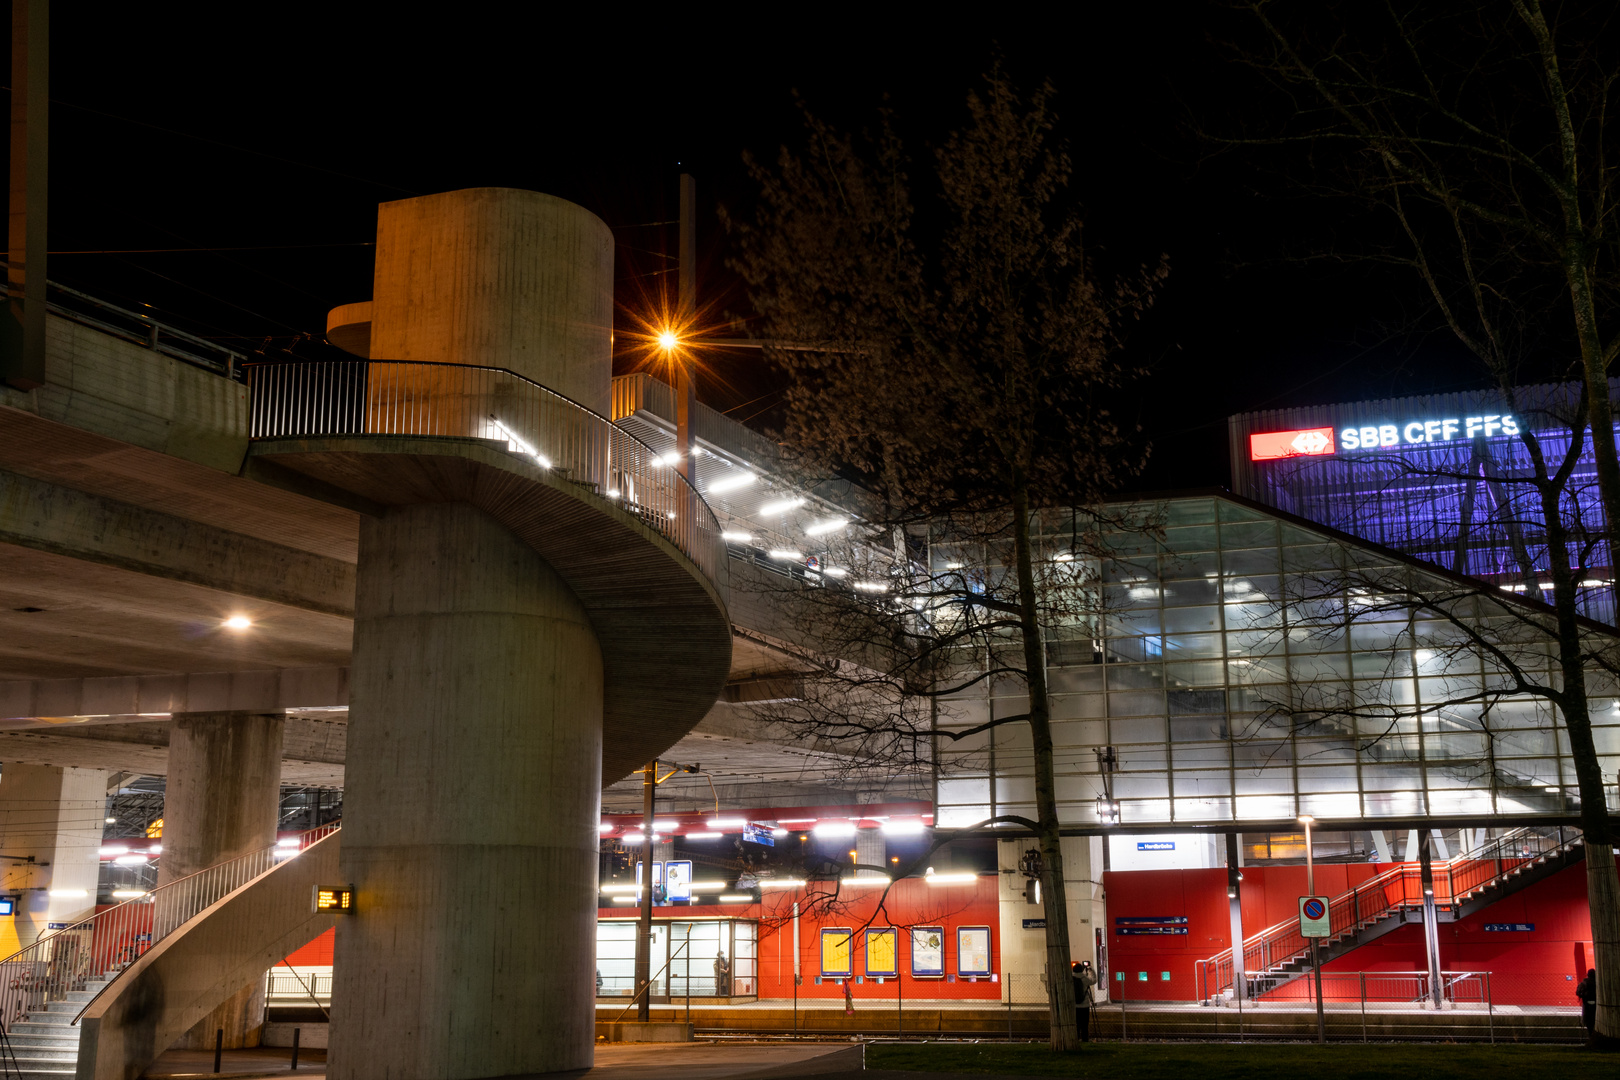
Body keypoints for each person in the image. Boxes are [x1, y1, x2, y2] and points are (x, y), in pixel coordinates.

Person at [1072, 959, 1097, 1042]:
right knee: (1084, 1025)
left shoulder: (1070, 979)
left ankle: (1075, 1039)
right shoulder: (1084, 979)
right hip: (1084, 1005)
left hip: (1074, 1006)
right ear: (1082, 970)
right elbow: (1094, 980)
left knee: (1076, 1024)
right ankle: (1085, 1039)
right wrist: (1090, 970)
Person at [1575, 968, 1597, 1042]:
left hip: (1586, 1003)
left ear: (1587, 975)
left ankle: (1590, 1035)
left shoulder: (1583, 983)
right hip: (1596, 1004)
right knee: (1595, 1019)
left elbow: (1577, 992)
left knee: (1588, 1020)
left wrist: (1583, 995)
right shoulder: (1598, 983)